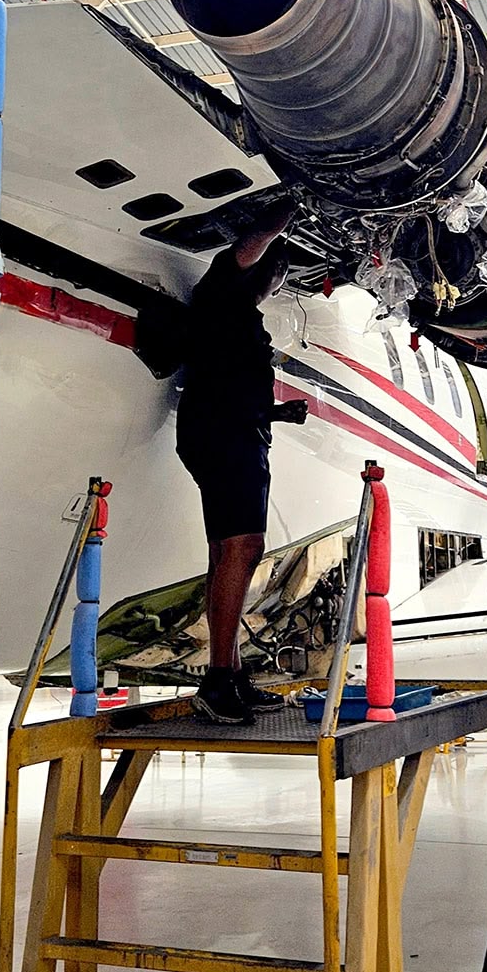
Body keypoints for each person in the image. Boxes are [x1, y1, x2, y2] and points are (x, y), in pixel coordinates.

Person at [175, 199, 307, 724]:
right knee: (244, 547)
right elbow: (253, 241)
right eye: (275, 265)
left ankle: (227, 670)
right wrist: (297, 201)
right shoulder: (222, 288)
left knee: (229, 552)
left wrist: (275, 413)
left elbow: (226, 383)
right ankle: (218, 680)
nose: (277, 274)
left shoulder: (238, 314)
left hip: (233, 431)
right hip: (225, 436)